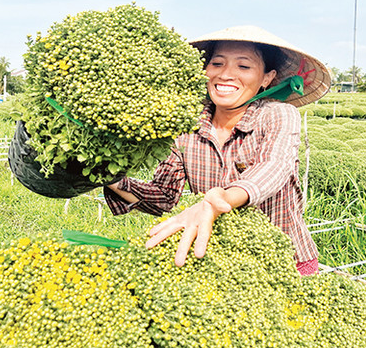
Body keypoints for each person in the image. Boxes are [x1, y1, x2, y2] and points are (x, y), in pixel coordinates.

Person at [104, 25, 331, 276]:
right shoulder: (187, 125)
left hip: (285, 262)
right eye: (217, 63)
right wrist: (109, 178)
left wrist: (219, 200)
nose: (226, 74)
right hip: (218, 263)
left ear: (267, 78)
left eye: (243, 66)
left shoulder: (277, 114)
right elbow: (164, 196)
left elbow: (273, 167)